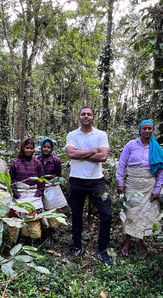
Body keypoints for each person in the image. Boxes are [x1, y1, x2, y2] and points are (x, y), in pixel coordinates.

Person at [65, 106, 111, 265]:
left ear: (93, 117)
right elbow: (71, 154)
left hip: (96, 181)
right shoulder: (72, 135)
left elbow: (103, 156)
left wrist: (80, 154)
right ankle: (77, 247)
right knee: (76, 215)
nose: (86, 116)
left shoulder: (101, 135)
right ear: (79, 117)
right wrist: (92, 151)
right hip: (76, 180)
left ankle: (102, 249)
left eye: (89, 114)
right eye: (83, 114)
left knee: (106, 215)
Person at [116, 120, 163, 259]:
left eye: (150, 128)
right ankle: (127, 242)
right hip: (131, 183)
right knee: (129, 213)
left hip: (149, 185)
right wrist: (120, 183)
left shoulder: (156, 148)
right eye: (144, 128)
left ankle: (140, 243)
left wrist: (157, 190)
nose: (147, 131)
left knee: (144, 215)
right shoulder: (131, 145)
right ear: (140, 130)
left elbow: (161, 171)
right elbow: (121, 165)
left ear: (153, 130)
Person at [9, 138, 45, 241]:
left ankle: (34, 240)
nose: (29, 150)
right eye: (27, 148)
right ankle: (16, 241)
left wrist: (38, 193)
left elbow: (41, 180)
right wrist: (16, 193)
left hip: (34, 194)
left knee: (34, 218)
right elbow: (10, 179)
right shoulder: (15, 163)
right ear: (22, 148)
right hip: (20, 193)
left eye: (31, 148)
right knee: (18, 218)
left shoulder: (37, 163)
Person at [36, 138, 66, 242]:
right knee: (41, 209)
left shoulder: (56, 161)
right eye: (44, 147)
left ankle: (50, 233)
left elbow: (58, 174)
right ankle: (42, 231)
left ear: (52, 148)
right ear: (41, 147)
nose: (46, 149)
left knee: (51, 209)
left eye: (49, 147)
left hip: (51, 187)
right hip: (40, 187)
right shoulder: (36, 160)